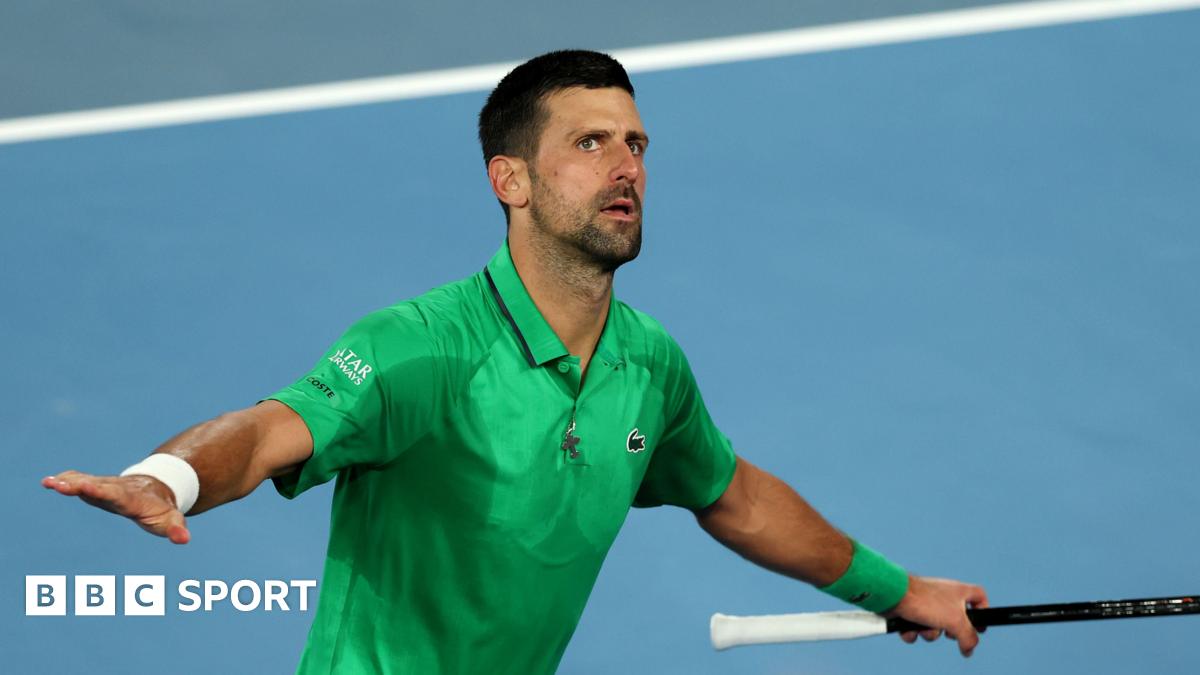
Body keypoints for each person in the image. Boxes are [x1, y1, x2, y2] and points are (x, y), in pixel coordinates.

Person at [43, 50, 987, 673]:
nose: (626, 165)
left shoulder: (648, 364)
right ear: (512, 180)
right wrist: (166, 477)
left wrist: (900, 589)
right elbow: (265, 433)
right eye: (590, 143)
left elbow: (733, 495)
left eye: (636, 144)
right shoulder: (420, 346)